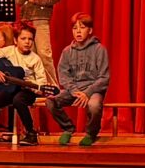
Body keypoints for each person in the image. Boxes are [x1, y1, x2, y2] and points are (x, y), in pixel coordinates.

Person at [43, 14, 110, 146]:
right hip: (74, 90)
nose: (78, 31)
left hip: (93, 90)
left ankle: (91, 134)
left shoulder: (99, 49)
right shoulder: (67, 51)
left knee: (94, 105)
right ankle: (68, 128)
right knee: (50, 101)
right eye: (75, 28)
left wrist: (87, 93)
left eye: (82, 27)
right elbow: (63, 75)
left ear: (90, 30)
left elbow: (104, 77)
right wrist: (74, 91)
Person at [0, 24, 51, 147]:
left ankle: (31, 133)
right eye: (23, 38)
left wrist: (37, 88)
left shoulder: (35, 59)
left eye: (30, 39)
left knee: (18, 100)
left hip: (27, 91)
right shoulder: (9, 51)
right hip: (10, 88)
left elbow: (41, 81)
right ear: (15, 40)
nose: (27, 42)